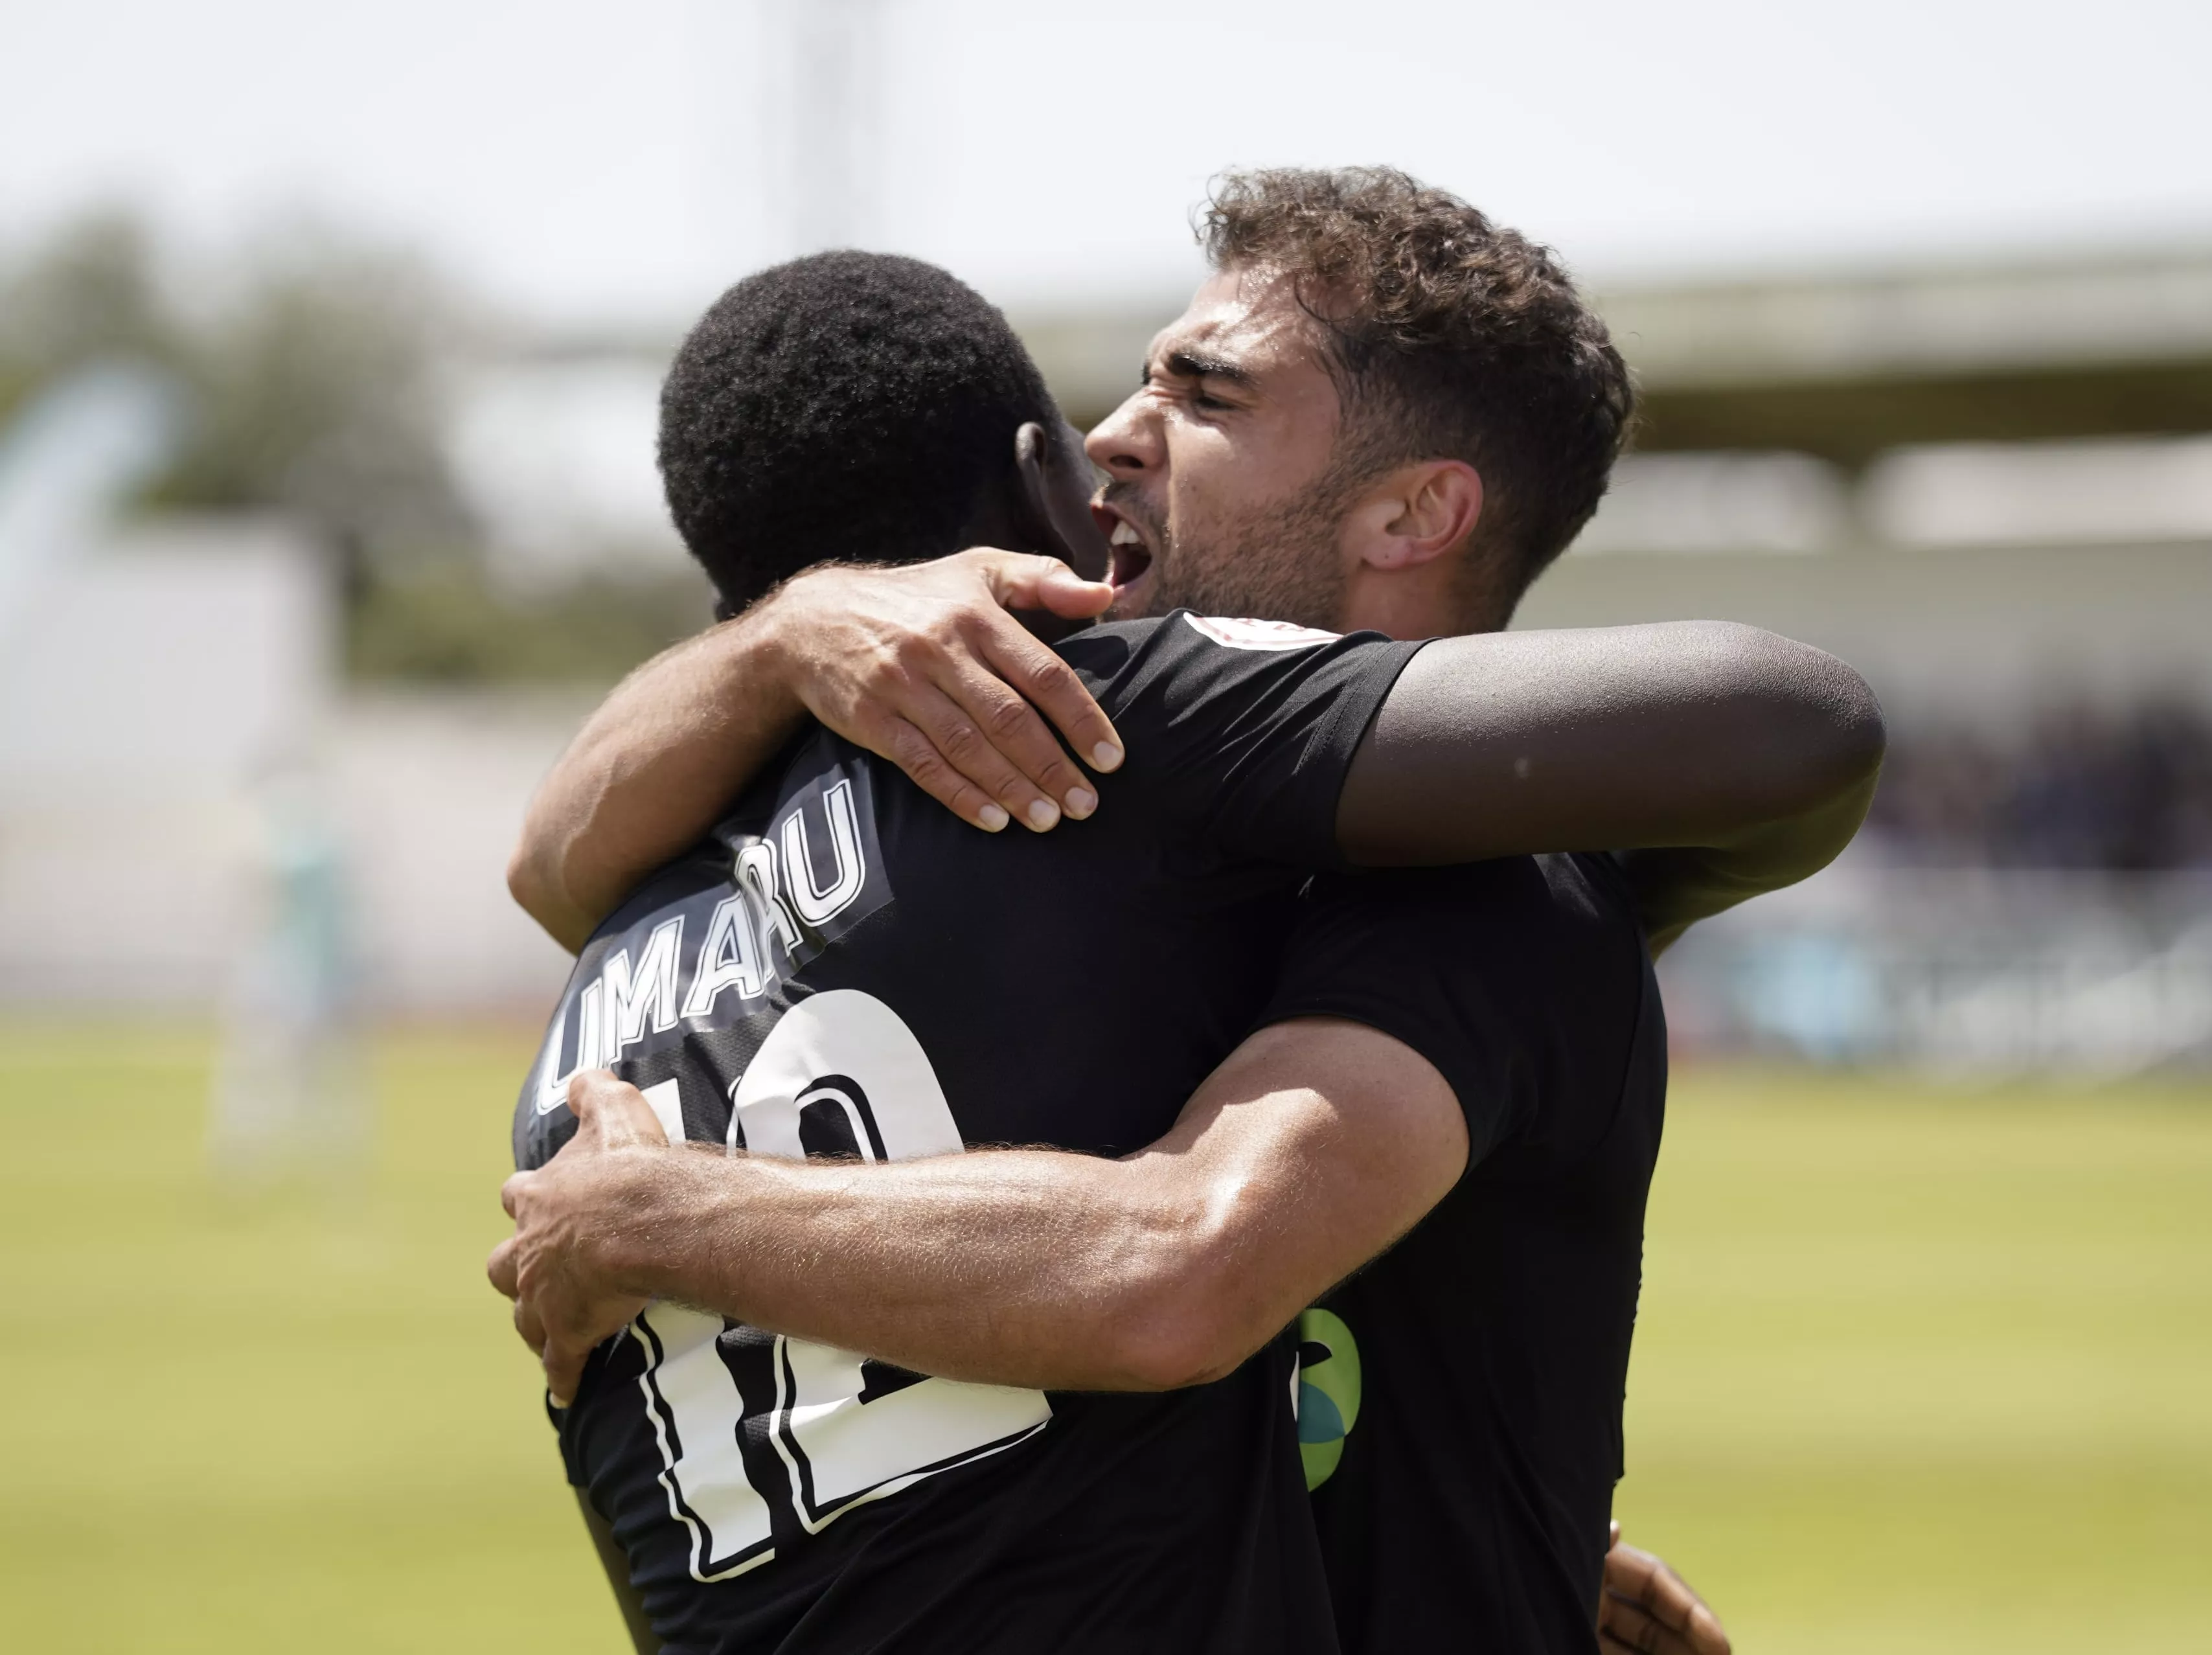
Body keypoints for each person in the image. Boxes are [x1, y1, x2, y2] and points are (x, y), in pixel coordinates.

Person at [496, 172, 1877, 1652]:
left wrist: (666, 1211)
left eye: (1203, 392)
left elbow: (548, 866)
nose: (1111, 437)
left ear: (1416, 508)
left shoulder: (643, 929)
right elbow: (1171, 1274)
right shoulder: (1103, 782)